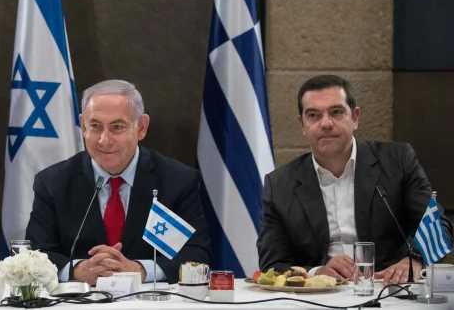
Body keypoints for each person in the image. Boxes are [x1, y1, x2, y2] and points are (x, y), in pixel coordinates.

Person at [257, 75, 449, 285]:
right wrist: (317, 272)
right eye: (313, 115)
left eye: (336, 112)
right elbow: (272, 264)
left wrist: (415, 260)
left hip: (388, 287)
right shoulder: (279, 185)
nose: (326, 123)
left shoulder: (398, 161)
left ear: (355, 118)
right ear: (302, 125)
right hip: (319, 294)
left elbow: (438, 227)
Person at [26, 80, 211, 285]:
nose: (104, 140)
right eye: (95, 126)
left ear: (141, 127)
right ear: (83, 126)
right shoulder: (53, 183)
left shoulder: (177, 180)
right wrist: (77, 270)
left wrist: (140, 270)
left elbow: (196, 254)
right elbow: (35, 254)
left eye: (117, 127)